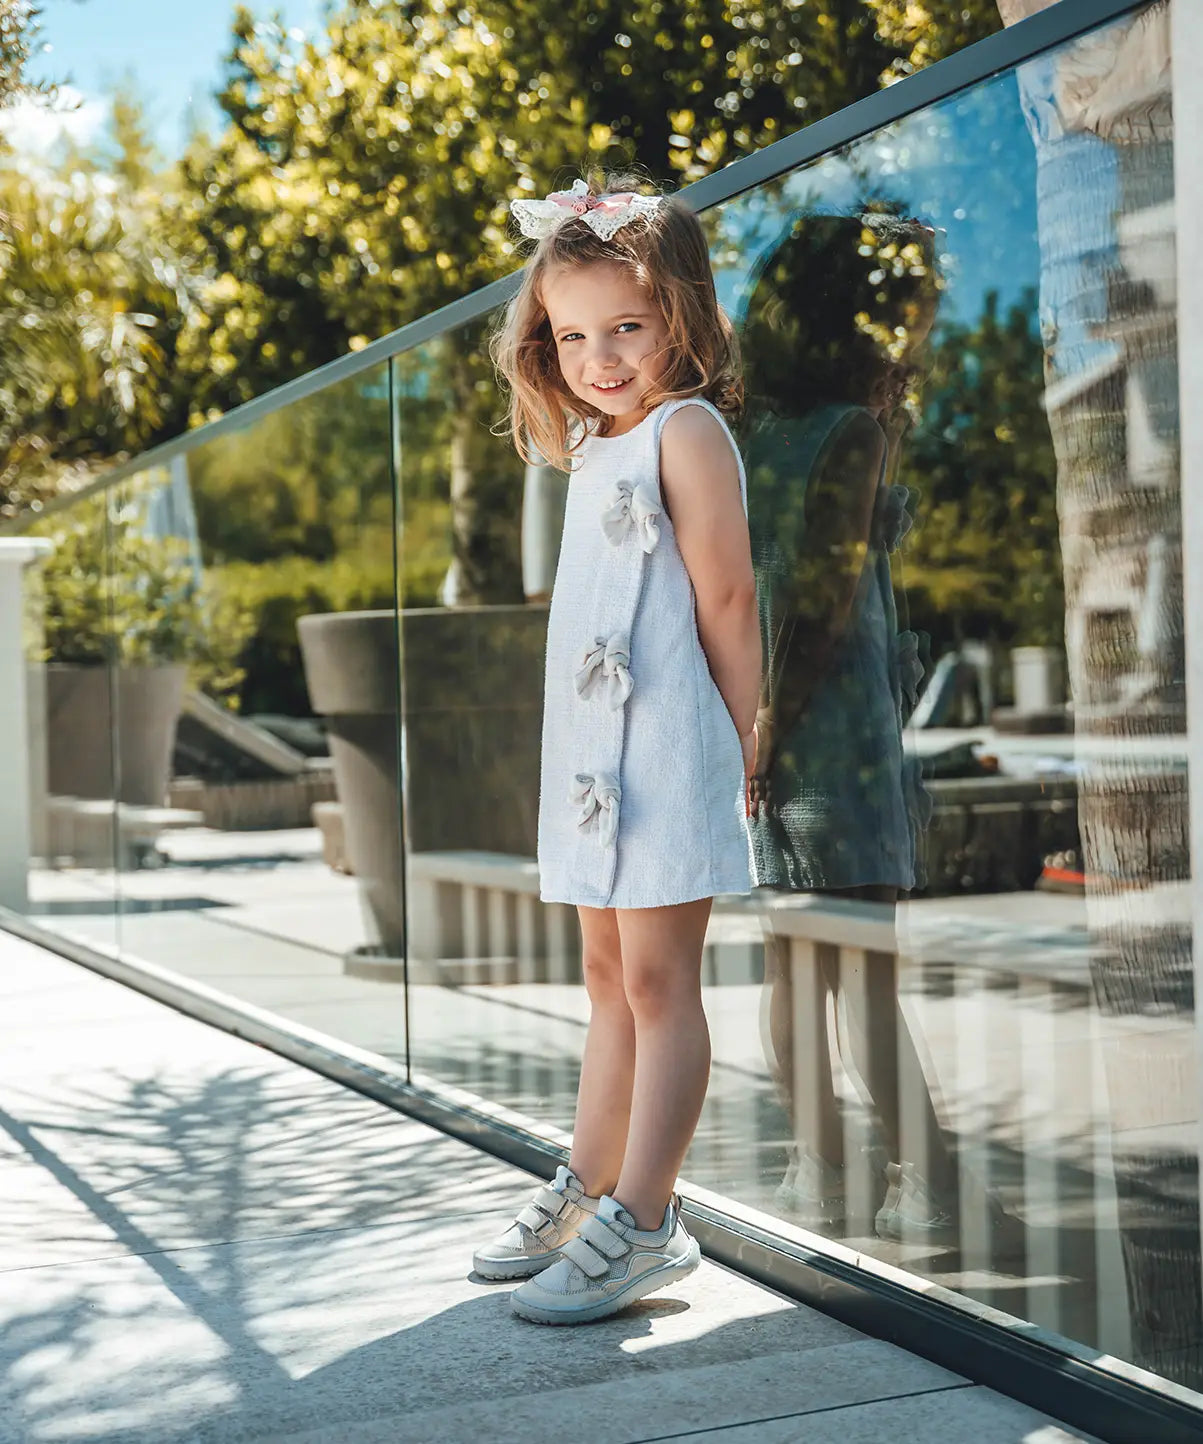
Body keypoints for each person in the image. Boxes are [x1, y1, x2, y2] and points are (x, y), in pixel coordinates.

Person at [474, 174, 760, 1324]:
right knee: (603, 979)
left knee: (657, 980)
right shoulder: (594, 445)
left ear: (679, 315)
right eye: (573, 334)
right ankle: (590, 1188)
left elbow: (729, 602)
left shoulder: (687, 432)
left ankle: (649, 1218)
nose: (598, 356)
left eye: (626, 329)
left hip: (670, 750)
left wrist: (746, 746)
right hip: (596, 761)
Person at [741, 212, 961, 1241]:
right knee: (864, 964)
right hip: (830, 737)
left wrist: (751, 727)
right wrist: (779, 725)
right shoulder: (847, 433)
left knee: (793, 962)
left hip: (768, 726)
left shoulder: (747, 434)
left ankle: (817, 1173)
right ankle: (927, 1181)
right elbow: (825, 600)